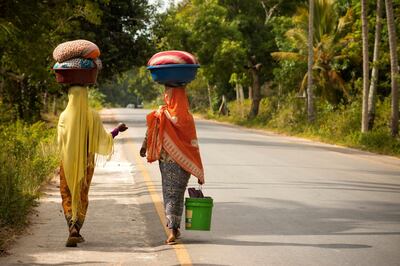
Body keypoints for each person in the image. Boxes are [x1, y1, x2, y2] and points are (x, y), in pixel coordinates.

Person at [58, 86, 128, 247]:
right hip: (86, 163)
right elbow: (102, 139)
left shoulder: (64, 116)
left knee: (67, 193)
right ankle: (76, 226)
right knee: (82, 193)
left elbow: (60, 142)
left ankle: (71, 226)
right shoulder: (93, 116)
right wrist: (117, 130)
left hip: (67, 162)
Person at [140, 85, 204, 245]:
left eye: (168, 96)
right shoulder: (187, 118)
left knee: (170, 195)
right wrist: (198, 169)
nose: (166, 98)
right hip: (183, 164)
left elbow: (150, 132)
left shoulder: (161, 114)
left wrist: (143, 146)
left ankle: (172, 230)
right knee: (177, 195)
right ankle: (174, 228)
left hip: (168, 163)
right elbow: (193, 146)